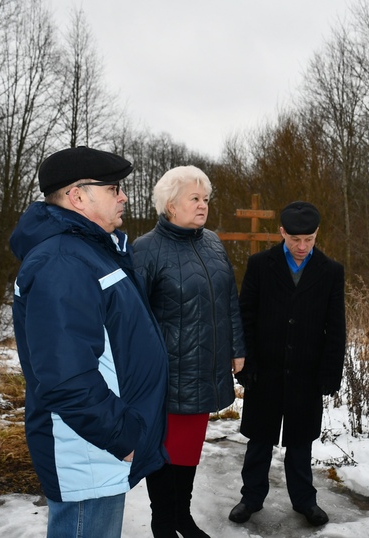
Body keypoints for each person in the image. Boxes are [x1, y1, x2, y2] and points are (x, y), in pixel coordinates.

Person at [10, 146, 169, 538]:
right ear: (77, 196)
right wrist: (123, 438)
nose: (124, 197)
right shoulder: (63, 261)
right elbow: (65, 377)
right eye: (114, 188)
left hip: (98, 446)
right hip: (88, 450)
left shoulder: (89, 251)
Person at [132, 165, 246, 538]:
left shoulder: (211, 242)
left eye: (206, 199)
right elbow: (131, 317)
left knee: (190, 449)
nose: (203, 206)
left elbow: (229, 298)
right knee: (166, 453)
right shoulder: (145, 250)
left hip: (206, 367)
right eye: (194, 199)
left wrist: (237, 347)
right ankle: (163, 522)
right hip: (167, 374)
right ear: (169, 205)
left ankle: (183, 516)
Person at [228, 201, 346, 528]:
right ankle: (250, 497)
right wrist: (245, 364)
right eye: (295, 239)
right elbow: (245, 316)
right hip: (264, 370)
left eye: (309, 239)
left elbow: (336, 327)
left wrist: (329, 372)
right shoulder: (260, 265)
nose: (302, 246)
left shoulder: (330, 271)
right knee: (259, 441)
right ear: (281, 232)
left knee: (299, 443)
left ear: (316, 234)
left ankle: (305, 501)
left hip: (306, 374)